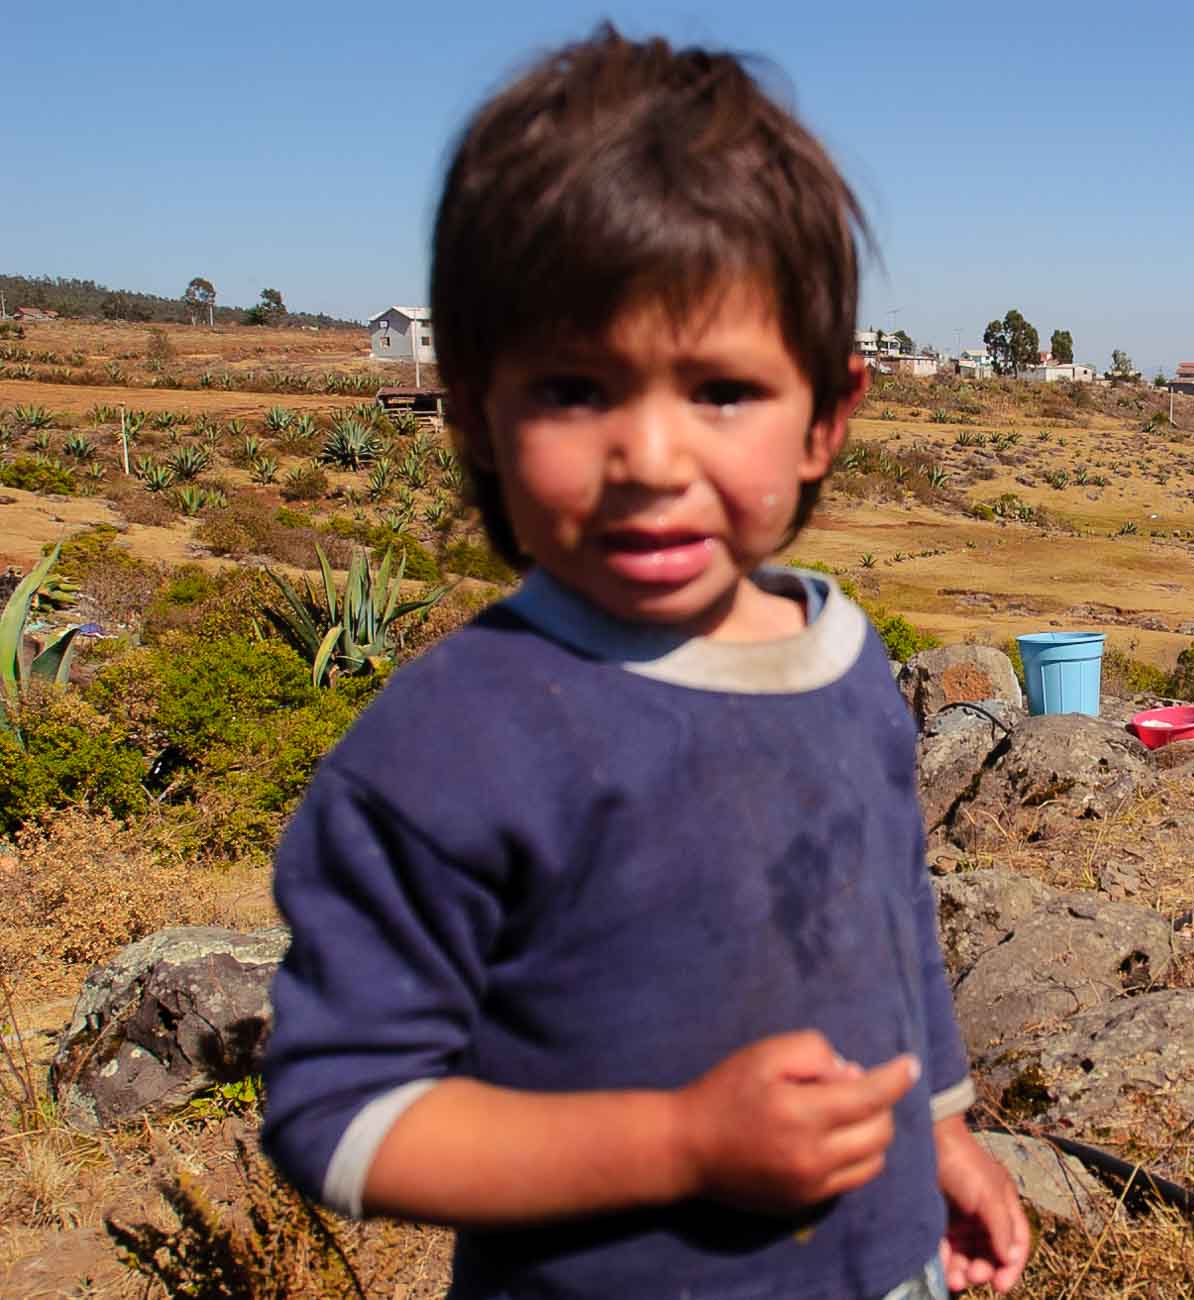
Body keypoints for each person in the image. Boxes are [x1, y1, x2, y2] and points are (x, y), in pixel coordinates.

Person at [259, 27, 1028, 1300]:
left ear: (827, 417)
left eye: (721, 389)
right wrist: (679, 1142)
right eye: (574, 387)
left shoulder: (842, 663)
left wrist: (934, 1130)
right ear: (470, 409)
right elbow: (335, 1116)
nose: (652, 457)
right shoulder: (452, 744)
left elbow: (889, 929)